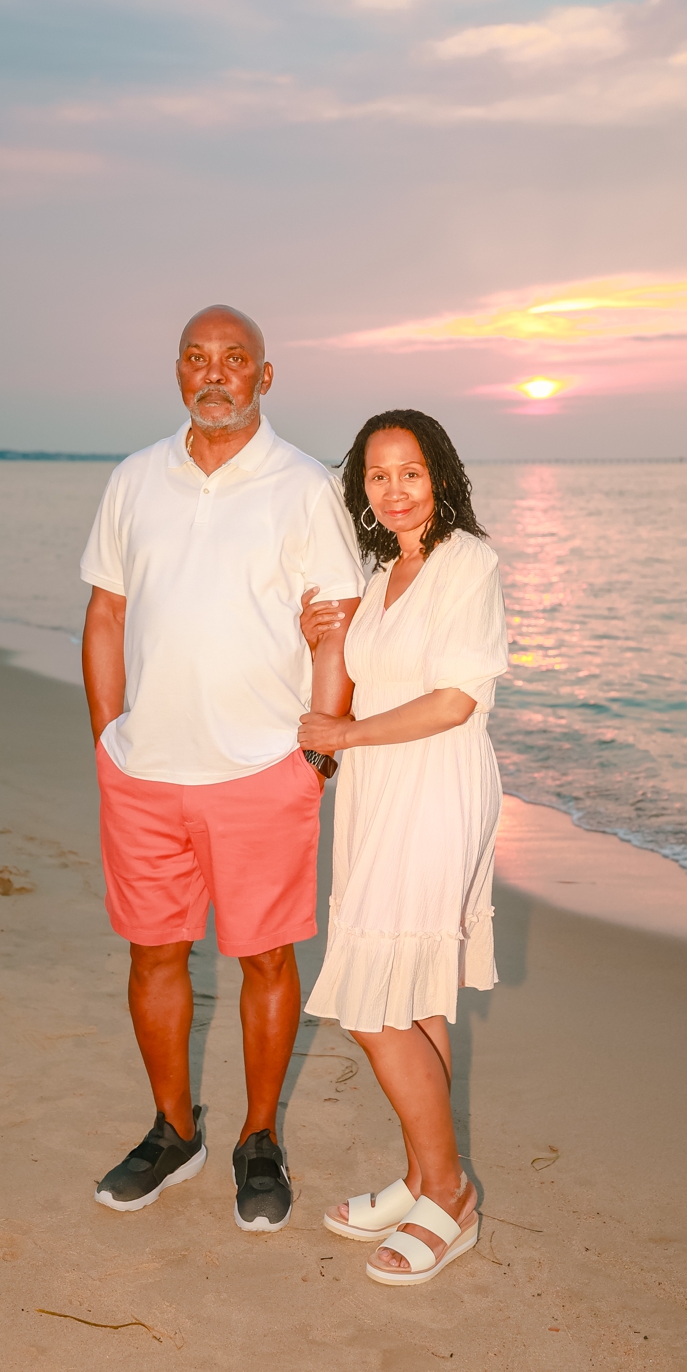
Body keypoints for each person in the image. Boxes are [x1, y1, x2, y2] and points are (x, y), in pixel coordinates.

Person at [80, 305, 363, 1231]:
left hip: (260, 771)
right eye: (198, 359)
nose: (215, 374)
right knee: (153, 952)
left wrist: (317, 751)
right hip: (145, 774)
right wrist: (107, 741)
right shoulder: (133, 479)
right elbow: (107, 615)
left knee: (265, 957)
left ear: (264, 377)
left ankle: (259, 1138)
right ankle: (172, 1131)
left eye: (234, 360)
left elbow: (338, 626)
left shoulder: (304, 486)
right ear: (176, 372)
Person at [297, 410, 508, 1285]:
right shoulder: (379, 569)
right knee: (414, 993)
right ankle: (424, 1179)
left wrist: (342, 738)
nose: (394, 488)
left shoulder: (470, 563)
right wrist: (322, 641)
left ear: (441, 476)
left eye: (410, 472)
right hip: (380, 791)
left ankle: (451, 1196)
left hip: (436, 788)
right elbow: (350, 683)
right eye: (378, 475)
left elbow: (455, 700)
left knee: (370, 1002)